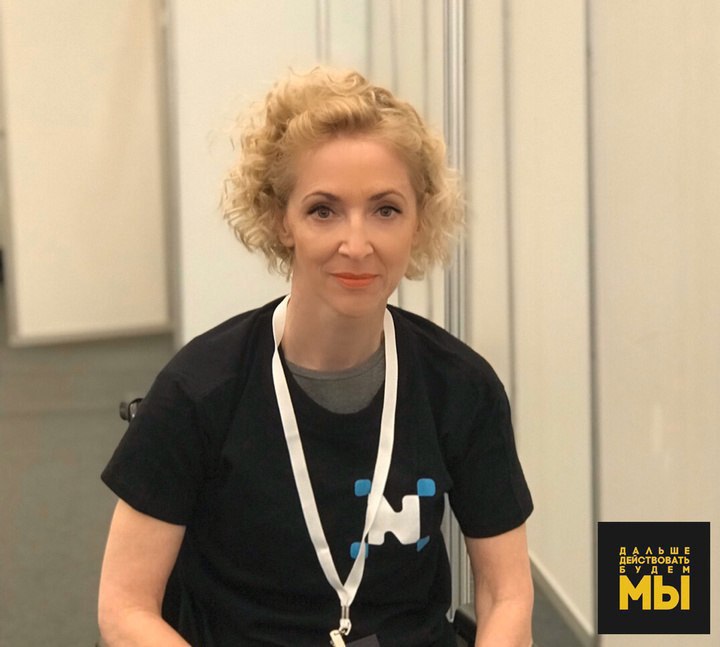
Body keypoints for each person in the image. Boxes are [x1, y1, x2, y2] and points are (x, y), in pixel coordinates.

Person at [98, 67, 534, 647]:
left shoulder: (459, 387)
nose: (356, 244)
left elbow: (507, 595)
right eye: (323, 210)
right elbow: (125, 608)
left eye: (385, 210)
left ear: (419, 222)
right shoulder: (199, 390)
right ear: (281, 220)